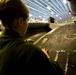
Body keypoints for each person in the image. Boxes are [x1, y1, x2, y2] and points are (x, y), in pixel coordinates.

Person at [0, 0, 64, 75]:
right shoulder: (30, 51)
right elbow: (58, 72)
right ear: (20, 21)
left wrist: (23, 42)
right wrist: (46, 57)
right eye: (27, 20)